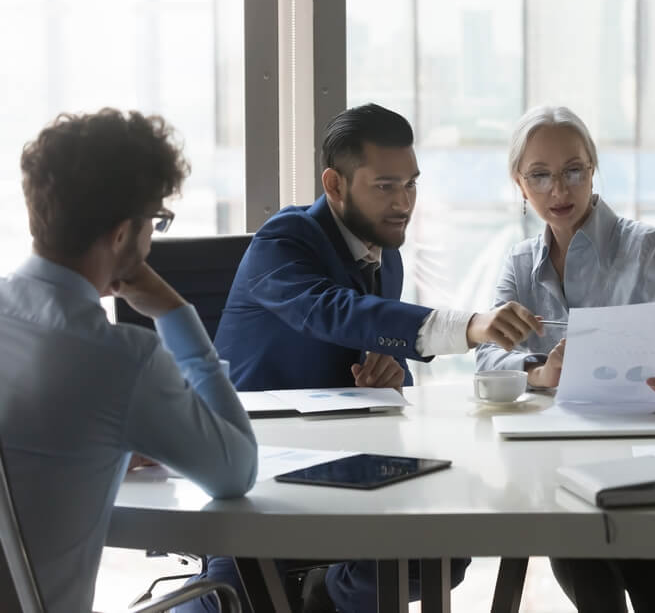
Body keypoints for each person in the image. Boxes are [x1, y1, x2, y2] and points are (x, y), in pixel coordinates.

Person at [184, 103, 542, 613]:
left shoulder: (384, 255)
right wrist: (468, 325)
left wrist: (391, 377)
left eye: (411, 185)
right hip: (258, 477)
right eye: (385, 186)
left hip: (343, 468)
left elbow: (375, 342)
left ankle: (323, 596)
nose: (404, 203)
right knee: (234, 602)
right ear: (334, 185)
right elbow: (336, 312)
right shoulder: (283, 242)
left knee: (442, 551)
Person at [0, 109, 258, 613]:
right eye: (155, 221)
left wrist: (105, 445)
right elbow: (235, 472)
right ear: (122, 235)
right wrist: (176, 313)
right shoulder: (120, 360)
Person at [476, 105, 655, 613]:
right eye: (540, 176)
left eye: (573, 171)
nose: (559, 191)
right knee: (573, 530)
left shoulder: (648, 248)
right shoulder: (521, 263)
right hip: (555, 455)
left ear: (593, 169)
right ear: (520, 185)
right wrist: (540, 372)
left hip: (640, 451)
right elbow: (485, 360)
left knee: (634, 551)